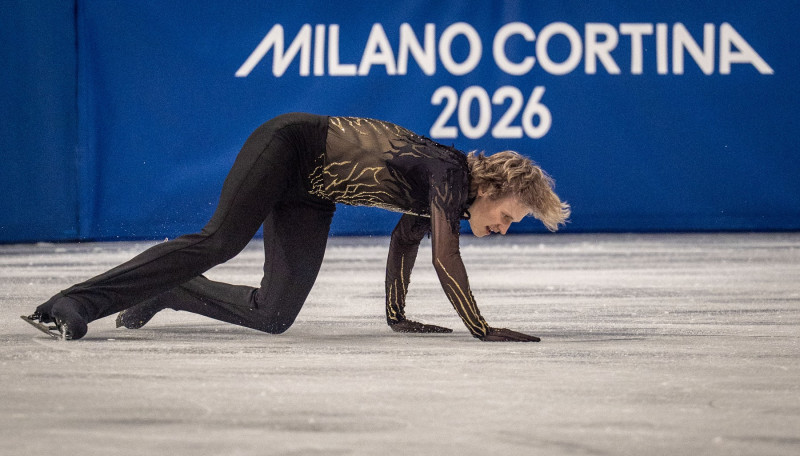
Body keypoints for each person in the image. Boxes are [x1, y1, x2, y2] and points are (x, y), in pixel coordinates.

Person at [23, 113, 570, 342]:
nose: (503, 228)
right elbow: (444, 258)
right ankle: (73, 303)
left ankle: (170, 288)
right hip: (287, 146)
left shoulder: (444, 191)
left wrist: (397, 316)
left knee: (275, 314)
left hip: (311, 192)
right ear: (493, 189)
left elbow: (407, 240)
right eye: (509, 217)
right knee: (220, 241)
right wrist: (480, 328)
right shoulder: (451, 174)